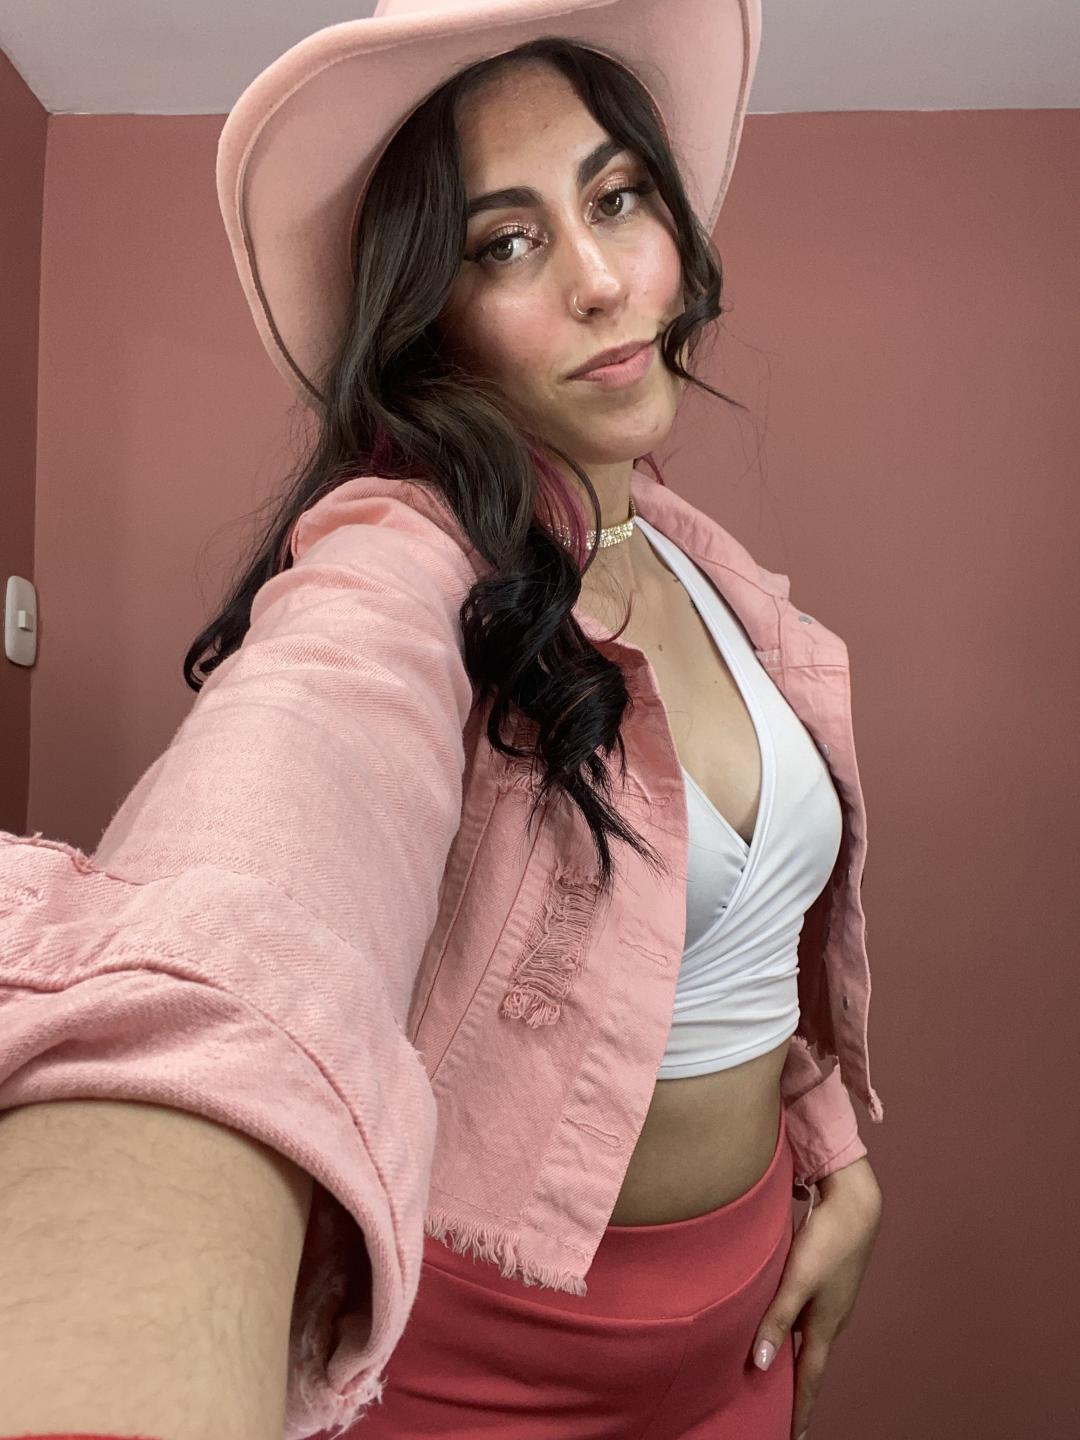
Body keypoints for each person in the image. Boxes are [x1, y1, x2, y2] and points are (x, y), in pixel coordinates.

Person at [0, 2, 884, 1439]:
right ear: (432, 320)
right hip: (482, 1370)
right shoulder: (404, 562)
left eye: (617, 198)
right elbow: (285, 803)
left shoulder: (710, 574)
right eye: (508, 243)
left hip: (747, 1323)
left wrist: (831, 1150)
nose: (601, 279)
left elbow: (723, 946)